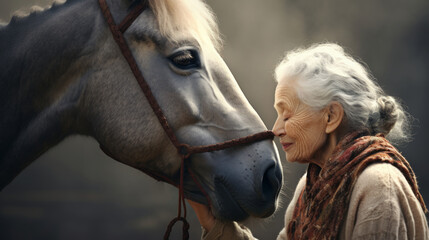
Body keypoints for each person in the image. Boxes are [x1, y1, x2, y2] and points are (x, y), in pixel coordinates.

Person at [187, 43, 429, 239]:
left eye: (287, 114)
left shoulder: (378, 186)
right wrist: (215, 225)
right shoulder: (312, 185)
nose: (276, 129)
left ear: (331, 116)